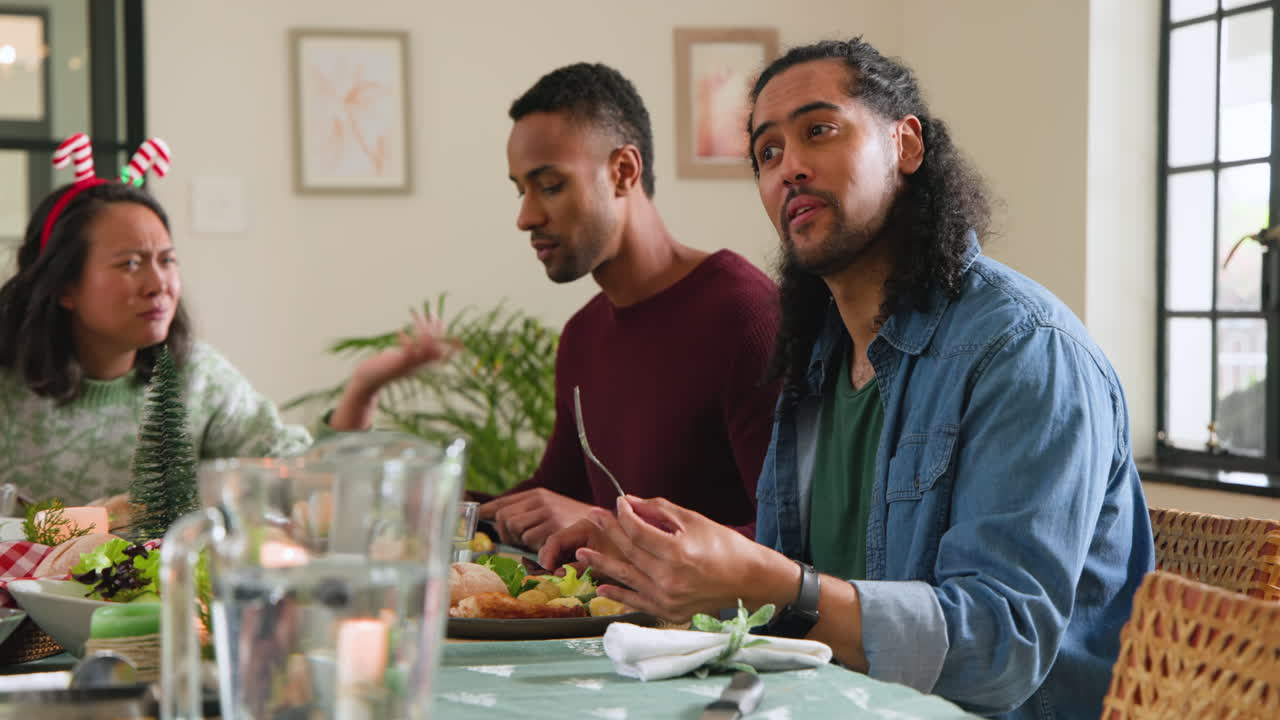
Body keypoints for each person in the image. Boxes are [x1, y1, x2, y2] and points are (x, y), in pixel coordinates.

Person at [540, 38, 1154, 719]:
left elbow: (998, 650)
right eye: (767, 153)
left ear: (906, 145)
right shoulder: (817, 362)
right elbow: (782, 593)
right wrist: (649, 558)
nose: (789, 168)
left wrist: (783, 588)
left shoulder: (1024, 351)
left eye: (819, 131)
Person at [0, 150, 452, 506]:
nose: (159, 284)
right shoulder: (8, 387)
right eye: (130, 263)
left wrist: (363, 388)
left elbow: (307, 488)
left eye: (167, 260)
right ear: (64, 286)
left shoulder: (197, 378)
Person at [478, 63, 780, 551]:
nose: (526, 216)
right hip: (613, 626)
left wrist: (610, 528)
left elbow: (785, 541)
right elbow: (554, 497)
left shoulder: (745, 316)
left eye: (550, 185)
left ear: (623, 171)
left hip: (717, 629)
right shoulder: (583, 334)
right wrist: (417, 502)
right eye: (521, 190)